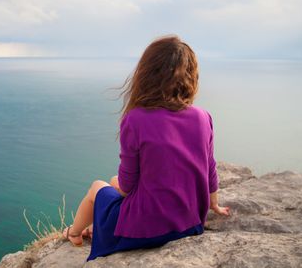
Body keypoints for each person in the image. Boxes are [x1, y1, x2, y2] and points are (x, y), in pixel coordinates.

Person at [61, 35, 231, 261]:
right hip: (189, 224)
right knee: (114, 182)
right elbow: (210, 168)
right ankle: (94, 226)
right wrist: (214, 205)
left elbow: (127, 187)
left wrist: (115, 187)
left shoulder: (136, 119)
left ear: (147, 74)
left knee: (98, 186)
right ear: (191, 76)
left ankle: (73, 233)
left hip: (147, 230)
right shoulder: (202, 117)